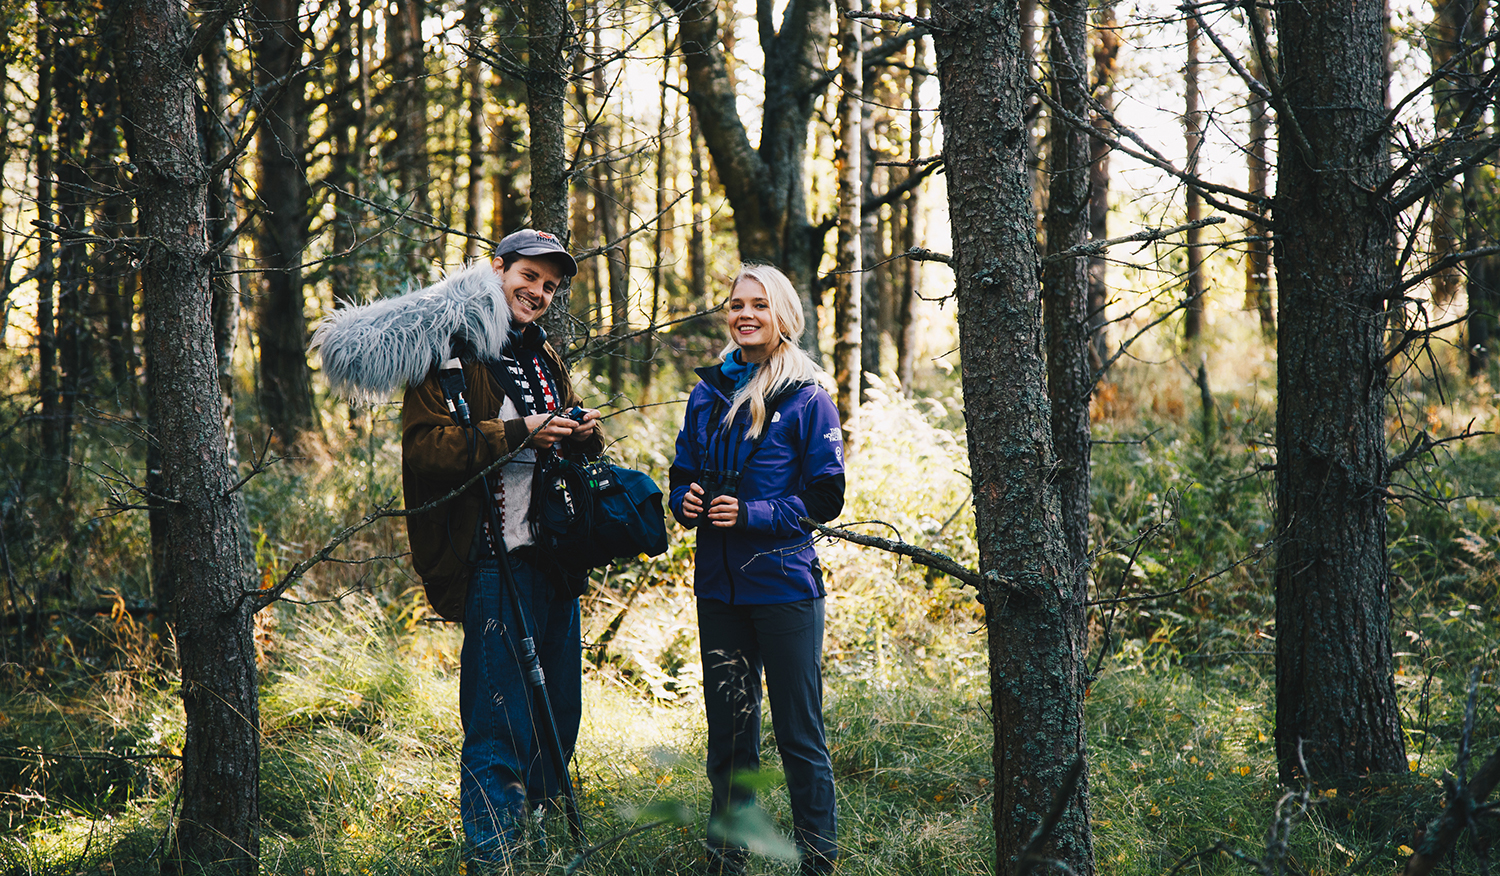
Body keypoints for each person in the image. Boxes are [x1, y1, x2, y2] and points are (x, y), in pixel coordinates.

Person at [310, 229, 601, 869]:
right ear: (497, 269)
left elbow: (565, 425)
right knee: (499, 727)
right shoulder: (448, 349)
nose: (539, 292)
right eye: (528, 276)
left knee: (558, 722)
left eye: (550, 286)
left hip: (554, 563)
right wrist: (518, 431)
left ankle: (536, 853)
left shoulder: (542, 354)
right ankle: (495, 859)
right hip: (494, 562)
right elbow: (426, 449)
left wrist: (583, 431)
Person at [667, 264, 846, 876]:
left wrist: (752, 514)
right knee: (731, 743)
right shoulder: (707, 393)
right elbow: (681, 473)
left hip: (785, 590)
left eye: (759, 306)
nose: (745, 314)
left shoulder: (807, 399)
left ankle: (817, 865)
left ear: (783, 318)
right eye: (737, 304)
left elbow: (826, 498)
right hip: (719, 592)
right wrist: (684, 500)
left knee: (799, 740)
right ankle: (727, 865)